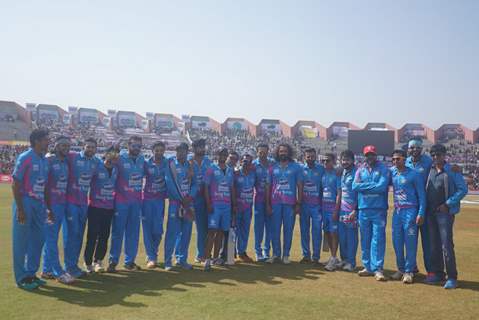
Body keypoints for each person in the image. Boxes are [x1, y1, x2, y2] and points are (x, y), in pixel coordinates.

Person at [12, 129, 52, 290]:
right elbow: (15, 184)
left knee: (39, 239)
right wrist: (20, 209)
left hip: (39, 204)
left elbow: (45, 186)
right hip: (25, 202)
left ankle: (31, 274)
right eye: (45, 140)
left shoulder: (44, 160)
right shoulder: (26, 158)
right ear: (36, 141)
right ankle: (21, 278)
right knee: (21, 241)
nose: (48, 142)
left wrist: (48, 208)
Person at [424, 144, 467, 289]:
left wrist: (448, 204)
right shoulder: (429, 170)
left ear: (444, 155)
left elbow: (463, 189)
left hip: (445, 214)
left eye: (439, 155)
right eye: (434, 155)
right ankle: (438, 273)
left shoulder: (452, 171)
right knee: (434, 245)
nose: (436, 157)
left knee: (446, 245)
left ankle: (452, 277)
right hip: (430, 213)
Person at [352, 145, 390, 281]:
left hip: (378, 209)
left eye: (372, 154)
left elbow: (382, 187)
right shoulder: (360, 170)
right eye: (367, 155)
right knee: (365, 239)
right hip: (363, 209)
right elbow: (354, 186)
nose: (370, 157)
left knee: (378, 239)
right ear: (364, 156)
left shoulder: (383, 169)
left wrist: (364, 188)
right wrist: (372, 186)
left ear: (376, 155)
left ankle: (378, 268)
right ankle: (367, 266)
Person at [41, 136, 75, 284]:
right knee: (51, 239)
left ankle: (46, 270)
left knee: (52, 238)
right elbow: (42, 184)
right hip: (50, 205)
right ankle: (58, 272)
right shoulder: (49, 160)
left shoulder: (66, 162)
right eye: (63, 145)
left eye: (68, 146)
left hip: (61, 204)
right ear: (56, 146)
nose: (66, 148)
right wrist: (47, 207)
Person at [109, 136, 145, 272]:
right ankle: (113, 261)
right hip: (121, 202)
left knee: (133, 233)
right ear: (128, 145)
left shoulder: (142, 160)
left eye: (139, 146)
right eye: (134, 145)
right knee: (117, 232)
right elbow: (108, 162)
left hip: (136, 202)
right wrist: (114, 148)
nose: (136, 148)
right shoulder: (120, 158)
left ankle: (129, 262)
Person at [389, 149, 426, 284]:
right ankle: (401, 269)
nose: (395, 161)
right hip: (397, 212)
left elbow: (422, 196)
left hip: (410, 211)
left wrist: (421, 213)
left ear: (404, 159)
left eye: (398, 159)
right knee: (396, 241)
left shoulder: (414, 174)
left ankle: (409, 271)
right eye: (393, 159)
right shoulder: (392, 172)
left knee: (410, 242)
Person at [65, 138, 99, 278]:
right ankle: (68, 267)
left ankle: (74, 266)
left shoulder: (96, 162)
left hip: (84, 204)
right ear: (83, 146)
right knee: (71, 235)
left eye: (93, 147)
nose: (90, 149)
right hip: (70, 202)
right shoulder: (72, 157)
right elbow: (54, 157)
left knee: (79, 235)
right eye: (88, 146)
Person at [84, 146, 119, 273]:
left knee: (104, 236)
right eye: (112, 153)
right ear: (107, 154)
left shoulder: (116, 170)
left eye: (117, 154)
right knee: (92, 235)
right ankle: (87, 263)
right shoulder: (97, 167)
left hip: (109, 208)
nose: (115, 156)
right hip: (95, 207)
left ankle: (98, 261)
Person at [267, 143, 303, 264]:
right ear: (278, 152)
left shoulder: (296, 167)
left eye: (285, 151)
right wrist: (268, 204)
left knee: (288, 230)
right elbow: (268, 186)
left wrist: (299, 203)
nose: (283, 153)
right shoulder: (272, 167)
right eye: (281, 151)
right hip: (275, 203)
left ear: (289, 152)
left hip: (290, 204)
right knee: (275, 230)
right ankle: (276, 254)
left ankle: (286, 255)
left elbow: (300, 185)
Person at [164, 143, 198, 271]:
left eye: (183, 151)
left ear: (186, 152)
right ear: (176, 151)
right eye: (179, 151)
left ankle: (182, 259)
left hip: (188, 204)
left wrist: (190, 196)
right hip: (175, 203)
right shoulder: (171, 164)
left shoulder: (190, 166)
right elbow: (169, 183)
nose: (181, 153)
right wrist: (181, 198)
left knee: (186, 233)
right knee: (172, 232)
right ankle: (168, 261)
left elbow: (195, 184)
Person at [203, 148, 236, 270]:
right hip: (215, 205)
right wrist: (208, 203)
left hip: (226, 206)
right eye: (220, 154)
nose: (223, 156)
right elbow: (205, 187)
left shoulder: (230, 170)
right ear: (217, 155)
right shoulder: (211, 169)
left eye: (225, 154)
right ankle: (207, 259)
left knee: (221, 233)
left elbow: (231, 188)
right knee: (212, 231)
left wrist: (233, 205)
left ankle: (215, 258)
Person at [406, 138, 433, 276]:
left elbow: (443, 167)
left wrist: (453, 168)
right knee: (410, 239)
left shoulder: (429, 161)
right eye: (412, 147)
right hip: (409, 207)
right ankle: (412, 267)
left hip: (426, 207)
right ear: (408, 149)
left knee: (427, 240)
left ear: (421, 149)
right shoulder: (405, 162)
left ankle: (431, 271)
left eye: (417, 147)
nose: (414, 149)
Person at [142, 141, 168, 269]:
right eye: (156, 150)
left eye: (161, 150)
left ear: (164, 151)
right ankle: (151, 257)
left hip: (160, 201)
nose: (159, 152)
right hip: (146, 200)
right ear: (152, 151)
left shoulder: (168, 163)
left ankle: (153, 252)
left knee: (158, 230)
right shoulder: (146, 164)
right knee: (147, 230)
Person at [299, 148, 324, 264]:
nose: (310, 159)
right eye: (308, 157)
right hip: (303, 205)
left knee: (317, 231)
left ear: (316, 156)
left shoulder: (321, 169)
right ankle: (306, 255)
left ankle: (316, 257)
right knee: (304, 231)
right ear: (304, 157)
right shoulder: (300, 169)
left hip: (317, 206)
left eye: (312, 156)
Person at [190, 139, 212, 263]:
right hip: (192, 199)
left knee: (206, 228)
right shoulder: (189, 161)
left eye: (203, 147)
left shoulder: (208, 162)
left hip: (206, 199)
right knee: (190, 228)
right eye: (199, 147)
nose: (202, 149)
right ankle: (180, 256)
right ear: (194, 148)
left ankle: (203, 254)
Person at [338, 150, 359, 272]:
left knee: (351, 237)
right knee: (343, 237)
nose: (344, 162)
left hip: (352, 211)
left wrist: (355, 210)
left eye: (347, 159)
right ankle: (344, 259)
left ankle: (352, 262)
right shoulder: (343, 171)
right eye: (343, 159)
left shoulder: (357, 173)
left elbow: (359, 194)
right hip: (342, 210)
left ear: (353, 160)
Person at [253, 144, 273, 262]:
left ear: (268, 152)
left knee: (269, 226)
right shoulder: (254, 165)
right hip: (259, 200)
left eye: (265, 152)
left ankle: (267, 250)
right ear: (257, 152)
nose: (262, 154)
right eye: (260, 152)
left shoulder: (273, 163)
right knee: (258, 227)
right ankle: (258, 251)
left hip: (271, 200)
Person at [234, 153, 256, 263]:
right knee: (234, 230)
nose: (245, 163)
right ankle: (231, 252)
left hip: (248, 208)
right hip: (237, 207)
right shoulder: (236, 174)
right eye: (244, 161)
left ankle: (242, 252)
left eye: (248, 161)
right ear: (241, 162)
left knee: (245, 230)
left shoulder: (253, 174)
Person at [322, 153, 342, 271]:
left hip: (333, 210)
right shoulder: (323, 174)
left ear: (334, 161)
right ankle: (332, 257)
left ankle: (334, 257)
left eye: (328, 160)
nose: (325, 163)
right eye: (323, 161)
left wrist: (336, 209)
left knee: (334, 233)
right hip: (324, 209)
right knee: (328, 233)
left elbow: (339, 193)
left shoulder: (337, 174)